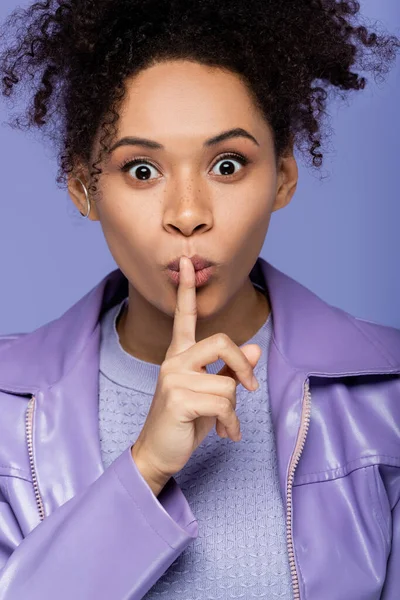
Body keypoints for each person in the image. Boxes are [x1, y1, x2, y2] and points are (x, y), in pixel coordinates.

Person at [0, 1, 399, 598]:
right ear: (84, 189)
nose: (188, 214)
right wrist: (143, 468)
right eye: (141, 171)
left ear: (284, 175)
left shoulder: (386, 396)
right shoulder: (7, 413)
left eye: (228, 164)